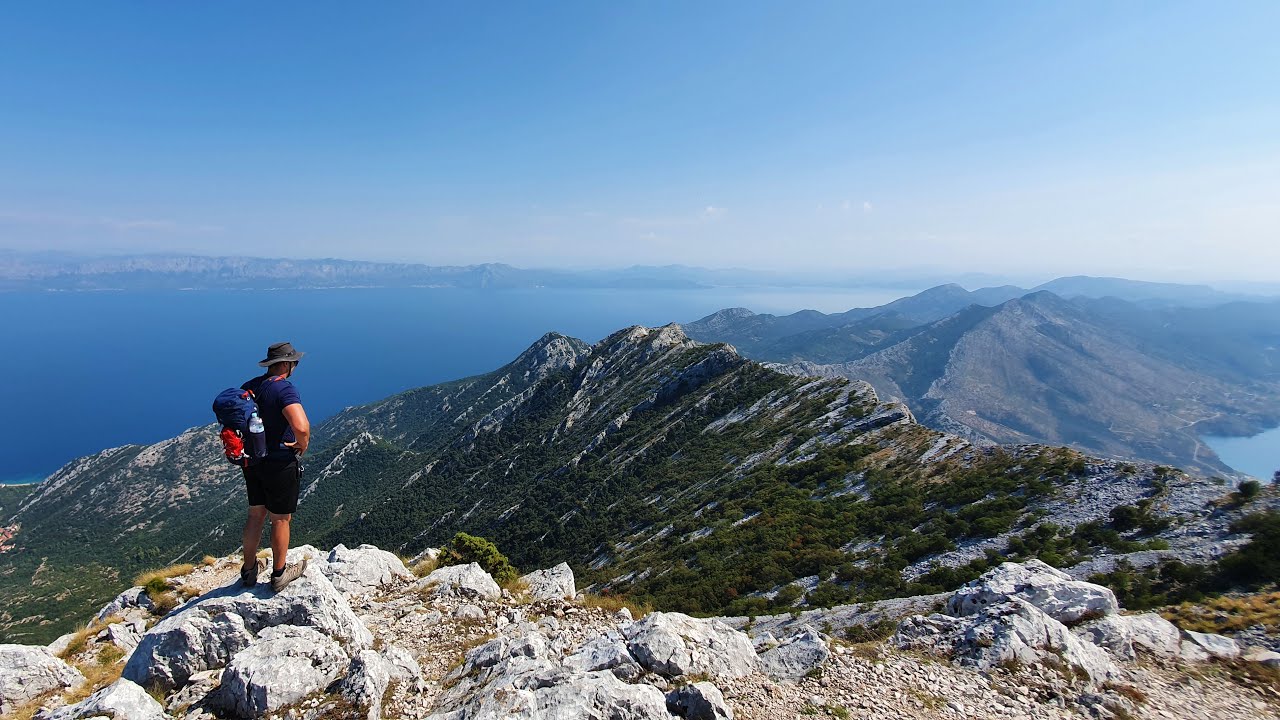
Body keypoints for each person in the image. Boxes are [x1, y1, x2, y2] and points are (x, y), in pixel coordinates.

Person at [239, 341, 311, 592]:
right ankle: (279, 574)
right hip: (279, 463)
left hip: (252, 461)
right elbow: (301, 426)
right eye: (294, 362)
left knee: (255, 514)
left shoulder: (250, 386)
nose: (295, 366)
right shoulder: (284, 390)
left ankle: (249, 570)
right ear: (285, 364)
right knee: (280, 519)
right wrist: (303, 444)